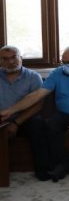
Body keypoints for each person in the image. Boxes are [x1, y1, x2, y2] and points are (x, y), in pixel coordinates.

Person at [1, 46, 69, 182]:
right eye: (63, 62)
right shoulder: (57, 73)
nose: (65, 66)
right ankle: (62, 164)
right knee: (51, 126)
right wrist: (11, 110)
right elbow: (37, 95)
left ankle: (65, 166)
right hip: (63, 113)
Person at [0, 45, 49, 181]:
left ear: (20, 58)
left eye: (13, 57)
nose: (10, 61)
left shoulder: (33, 77)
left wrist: (16, 123)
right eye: (5, 59)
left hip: (24, 119)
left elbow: (38, 105)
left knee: (38, 124)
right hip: (1, 119)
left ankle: (42, 170)